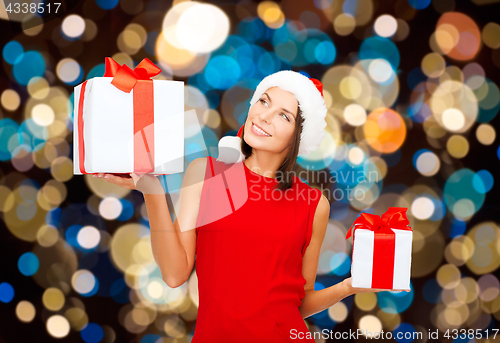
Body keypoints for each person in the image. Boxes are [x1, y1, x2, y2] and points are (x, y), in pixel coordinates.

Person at [94, 70, 408, 342]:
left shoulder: (313, 204)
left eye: (283, 115)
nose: (265, 116)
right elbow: (175, 274)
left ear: (296, 136)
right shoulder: (207, 174)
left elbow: (299, 302)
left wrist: (349, 287)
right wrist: (152, 191)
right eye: (264, 101)